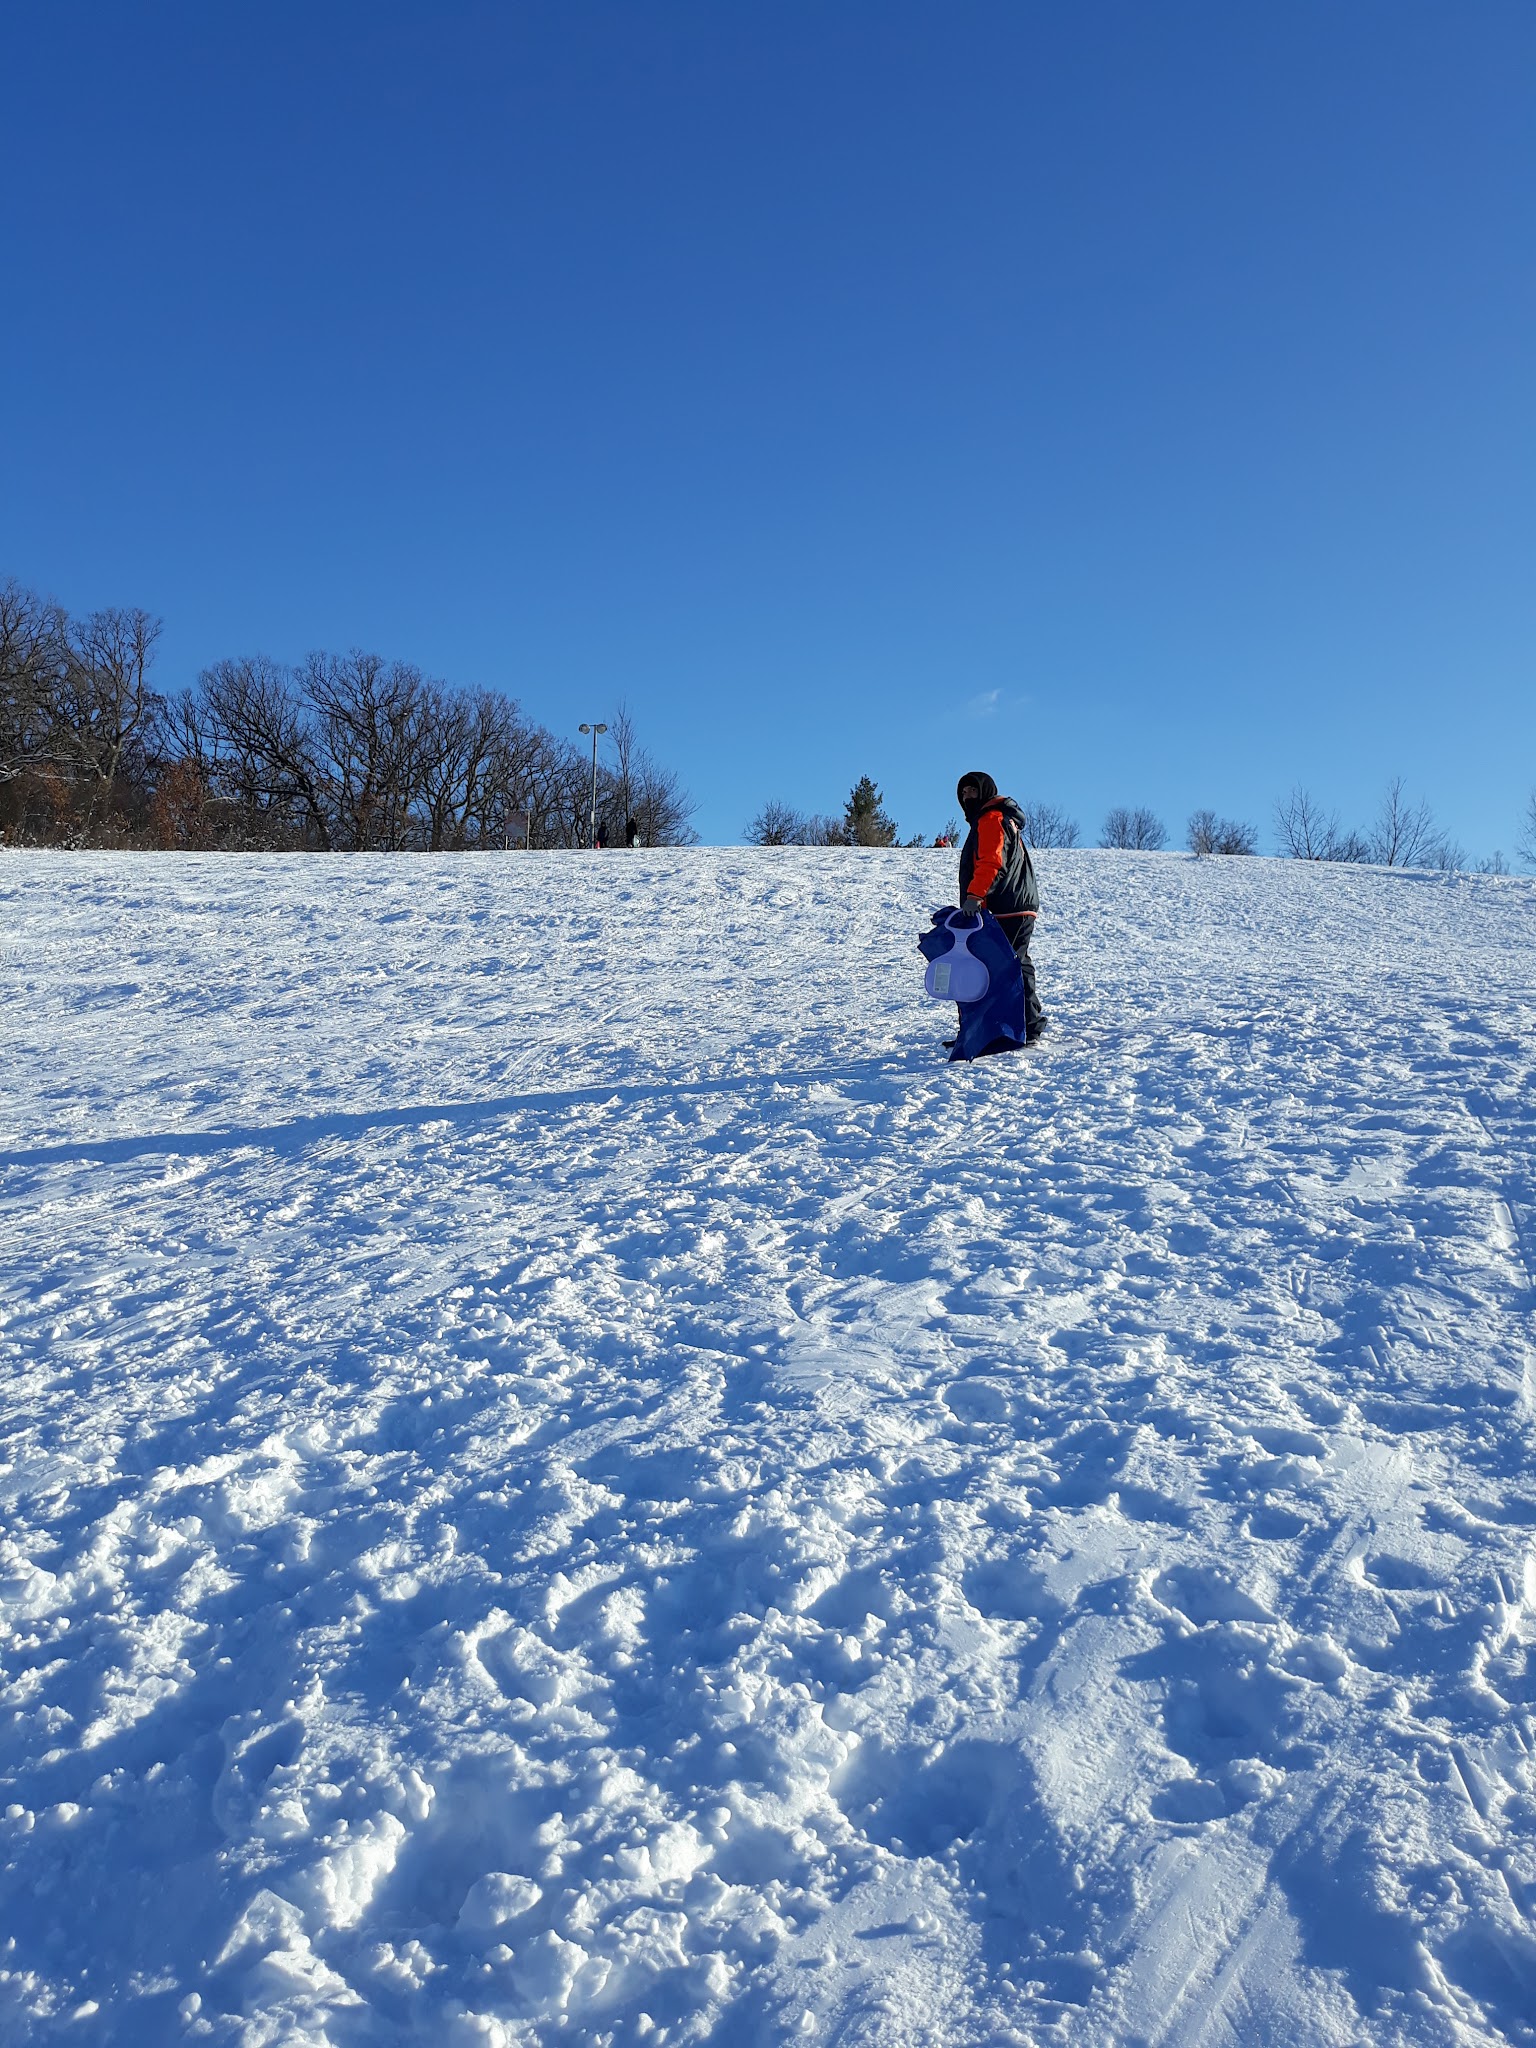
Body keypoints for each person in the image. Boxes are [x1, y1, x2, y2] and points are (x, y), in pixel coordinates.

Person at [955, 770, 1047, 1043]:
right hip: (1015, 904)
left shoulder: (991, 818)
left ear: (985, 791)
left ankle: (1016, 1029)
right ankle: (1025, 1024)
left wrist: (975, 897)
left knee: (1004, 968)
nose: (966, 796)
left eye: (972, 790)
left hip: (1008, 905)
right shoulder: (999, 819)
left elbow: (992, 862)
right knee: (1016, 964)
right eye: (963, 793)